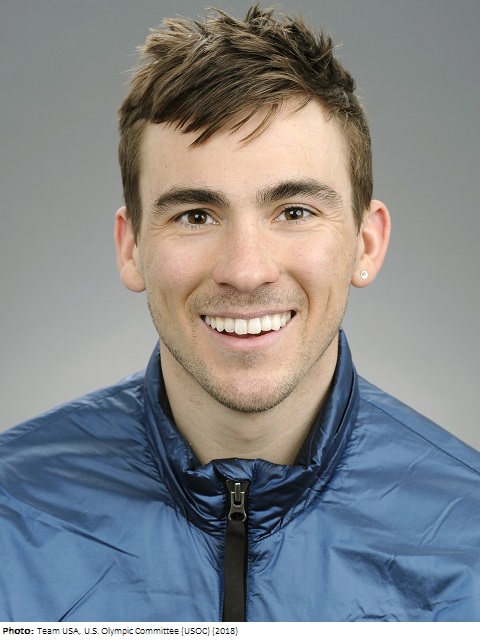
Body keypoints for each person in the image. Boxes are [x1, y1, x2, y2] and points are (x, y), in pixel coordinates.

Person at [1, 4, 479, 623]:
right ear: (131, 247)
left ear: (366, 243)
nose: (247, 270)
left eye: (295, 211)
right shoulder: (11, 511)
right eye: (196, 215)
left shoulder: (469, 536)